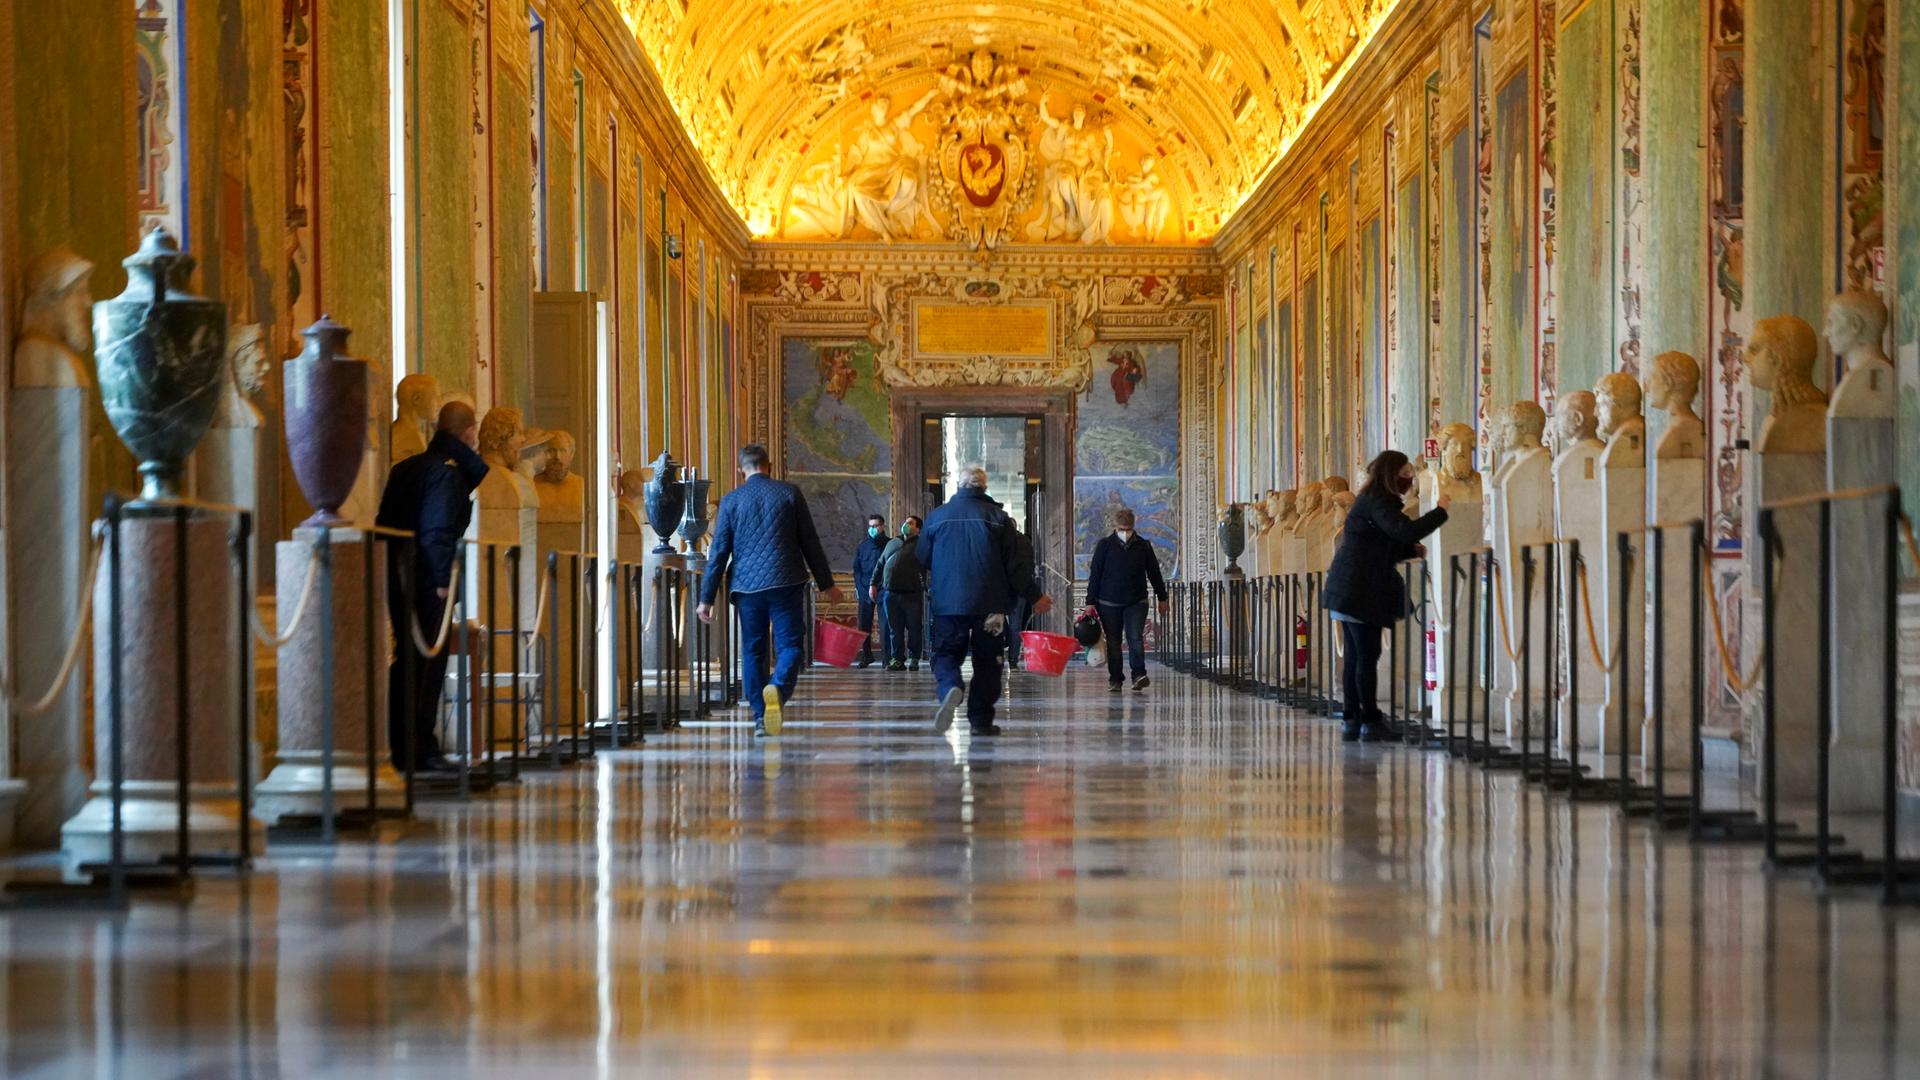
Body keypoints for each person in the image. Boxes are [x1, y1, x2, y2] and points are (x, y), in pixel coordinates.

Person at [697, 444, 841, 737]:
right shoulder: (789, 493)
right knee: (790, 646)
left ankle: (761, 718)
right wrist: (827, 584)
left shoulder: (731, 501)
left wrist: (705, 598)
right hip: (786, 581)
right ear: (770, 465)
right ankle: (777, 688)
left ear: (741, 470)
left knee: (753, 650)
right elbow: (809, 542)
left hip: (747, 587)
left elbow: (719, 552)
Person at [376, 401, 489, 772]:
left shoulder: (406, 468)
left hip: (400, 576)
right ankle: (419, 747)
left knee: (408, 662)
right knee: (425, 665)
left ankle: (405, 743)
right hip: (427, 581)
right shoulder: (446, 473)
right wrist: (442, 581)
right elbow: (436, 531)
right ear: (468, 433)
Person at [1320, 450, 1450, 742]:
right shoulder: (1379, 501)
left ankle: (1353, 719)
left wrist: (1408, 551)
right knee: (1366, 657)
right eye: (1406, 473)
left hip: (1350, 587)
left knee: (1356, 657)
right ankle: (1369, 720)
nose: (1410, 478)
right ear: (1393, 475)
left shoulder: (1370, 501)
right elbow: (1405, 531)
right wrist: (1440, 510)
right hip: (1359, 590)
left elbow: (1378, 543)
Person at [919, 467, 1053, 735]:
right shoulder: (998, 518)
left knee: (945, 652)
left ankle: (950, 687)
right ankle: (980, 721)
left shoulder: (936, 518)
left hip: (948, 603)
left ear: (959, 486)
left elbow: (922, 558)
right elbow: (1015, 566)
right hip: (990, 605)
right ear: (984, 487)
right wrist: (1034, 596)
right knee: (989, 660)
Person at [1082, 508, 1169, 692]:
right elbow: (1095, 574)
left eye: (1128, 529)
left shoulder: (1143, 546)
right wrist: (1090, 602)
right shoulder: (1104, 545)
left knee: (1135, 638)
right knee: (1113, 641)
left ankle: (1139, 674)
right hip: (1108, 603)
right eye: (1122, 529)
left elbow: (1154, 573)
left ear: (1133, 526)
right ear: (1115, 527)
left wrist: (1163, 598)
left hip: (1136, 601)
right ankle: (1115, 679)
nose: (1125, 533)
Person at [869, 515, 926, 671]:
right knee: (895, 629)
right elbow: (880, 564)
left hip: (912, 593)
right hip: (891, 593)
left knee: (914, 628)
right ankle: (897, 660)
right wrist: (873, 584)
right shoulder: (893, 542)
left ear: (918, 528)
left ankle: (914, 658)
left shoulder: (923, 545)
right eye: (905, 522)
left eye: (910, 523)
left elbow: (930, 565)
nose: (905, 525)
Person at [851, 513, 888, 667]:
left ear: (882, 526)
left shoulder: (890, 544)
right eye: (870, 526)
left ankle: (887, 658)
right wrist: (861, 588)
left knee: (885, 625)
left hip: (883, 590)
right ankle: (867, 656)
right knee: (863, 626)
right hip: (865, 590)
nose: (872, 529)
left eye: (875, 526)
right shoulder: (863, 545)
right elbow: (857, 569)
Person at [1004, 523, 1038, 669]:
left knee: (995, 622)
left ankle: (998, 657)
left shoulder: (1001, 541)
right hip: (1022, 589)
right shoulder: (1025, 541)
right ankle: (1013, 659)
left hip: (1004, 589)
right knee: (1016, 625)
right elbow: (1029, 566)